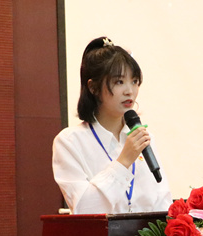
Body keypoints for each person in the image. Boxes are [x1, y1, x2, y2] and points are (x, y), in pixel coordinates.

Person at [52, 36, 171, 214]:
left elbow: (163, 202)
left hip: (145, 233)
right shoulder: (70, 142)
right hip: (99, 233)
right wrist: (124, 161)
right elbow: (84, 209)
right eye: (119, 82)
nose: (129, 91)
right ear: (93, 87)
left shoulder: (145, 138)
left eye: (134, 81)